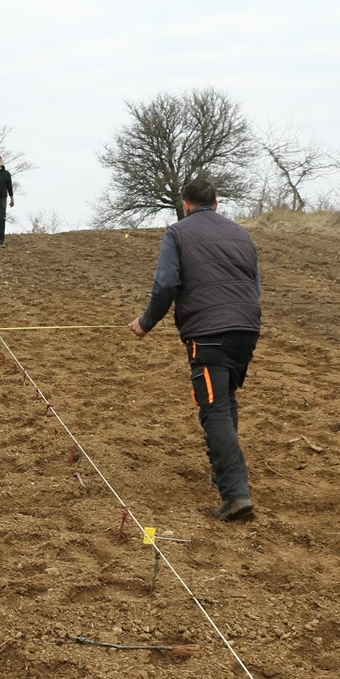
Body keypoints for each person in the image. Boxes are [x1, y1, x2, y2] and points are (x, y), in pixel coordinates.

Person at [129, 177, 261, 522]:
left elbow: (167, 283)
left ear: (185, 204)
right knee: (226, 398)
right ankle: (223, 474)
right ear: (216, 204)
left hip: (209, 332)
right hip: (247, 328)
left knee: (214, 408)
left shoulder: (178, 233)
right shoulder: (242, 234)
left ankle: (236, 494)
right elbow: (254, 283)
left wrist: (146, 322)